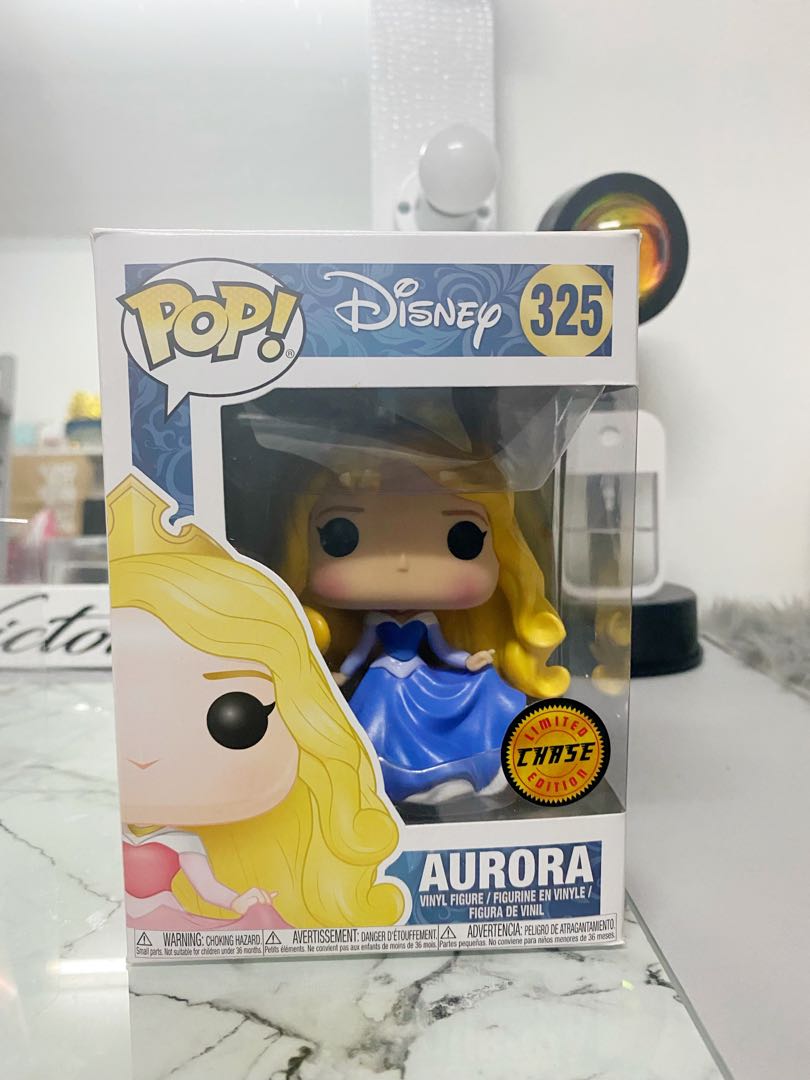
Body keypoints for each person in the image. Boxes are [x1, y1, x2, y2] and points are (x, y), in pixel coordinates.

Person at [108, 474, 405, 930]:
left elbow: (212, 891)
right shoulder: (114, 817)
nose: (146, 754)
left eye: (237, 718)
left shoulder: (184, 843)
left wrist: (242, 898)